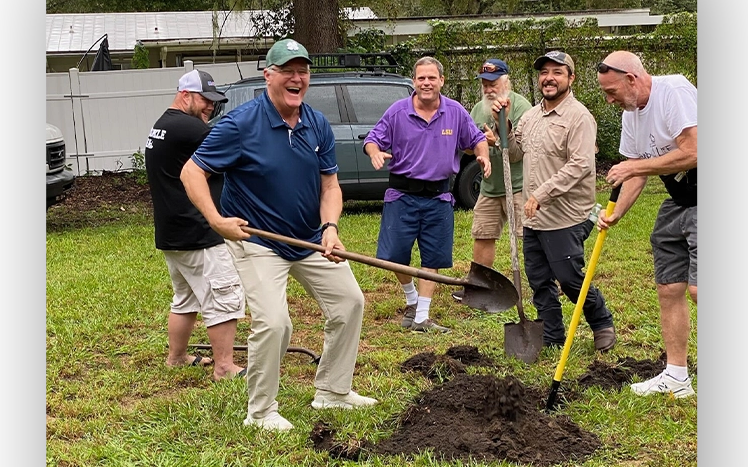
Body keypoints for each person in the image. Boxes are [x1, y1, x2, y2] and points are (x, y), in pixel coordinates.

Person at [180, 39, 376, 431]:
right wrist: (217, 220)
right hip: (258, 241)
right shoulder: (241, 124)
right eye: (287, 70)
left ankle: (333, 392)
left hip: (308, 238)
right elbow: (192, 171)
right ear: (269, 75)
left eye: (302, 70)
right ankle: (261, 411)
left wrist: (331, 228)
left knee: (350, 302)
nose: (296, 77)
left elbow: (330, 187)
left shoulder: (316, 123)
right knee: (275, 323)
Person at [491, 50, 616, 352]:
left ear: (571, 78)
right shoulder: (532, 116)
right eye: (544, 72)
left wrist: (541, 194)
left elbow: (581, 165)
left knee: (569, 277)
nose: (549, 77)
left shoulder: (579, 117)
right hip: (533, 217)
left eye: (557, 72)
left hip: (567, 214)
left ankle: (601, 323)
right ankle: (551, 334)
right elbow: (515, 153)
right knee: (539, 280)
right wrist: (503, 125)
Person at [363, 56, 491, 333]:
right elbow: (373, 139)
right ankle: (411, 298)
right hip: (401, 195)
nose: (426, 83)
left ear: (441, 81)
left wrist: (483, 157)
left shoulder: (455, 112)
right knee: (394, 256)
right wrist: (374, 152)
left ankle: (422, 316)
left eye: (432, 78)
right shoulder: (398, 111)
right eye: (421, 78)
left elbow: (477, 139)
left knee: (433, 258)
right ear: (414, 81)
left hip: (438, 197)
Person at [596, 50, 697, 398]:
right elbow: (635, 170)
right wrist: (616, 213)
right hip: (680, 199)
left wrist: (636, 168)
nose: (610, 100)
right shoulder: (631, 114)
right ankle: (677, 376)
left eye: (612, 91)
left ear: (632, 79)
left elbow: (694, 151)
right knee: (669, 287)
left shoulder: (675, 92)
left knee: (697, 290)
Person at [144, 69, 247, 381]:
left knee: (186, 298)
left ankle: (176, 357)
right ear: (185, 95)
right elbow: (233, 154)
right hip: (199, 231)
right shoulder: (190, 129)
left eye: (214, 103)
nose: (210, 108)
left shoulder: (162, 124)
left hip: (172, 230)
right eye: (205, 100)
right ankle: (225, 367)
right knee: (223, 296)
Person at [451, 58, 532, 303]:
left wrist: (495, 140)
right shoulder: (478, 109)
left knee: (528, 236)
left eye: (493, 83)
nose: (488, 89)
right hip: (489, 186)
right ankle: (478, 286)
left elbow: (522, 150)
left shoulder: (521, 107)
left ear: (506, 81)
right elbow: (467, 146)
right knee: (483, 234)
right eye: (484, 84)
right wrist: (474, 145)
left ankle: (541, 285)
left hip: (518, 185)